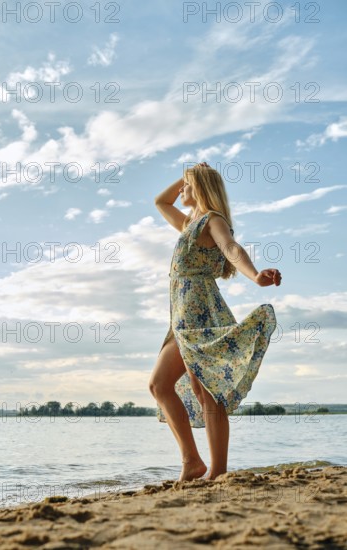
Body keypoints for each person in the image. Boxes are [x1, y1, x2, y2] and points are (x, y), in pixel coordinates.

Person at [149, 162, 281, 483]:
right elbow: (159, 202)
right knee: (162, 386)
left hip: (200, 314)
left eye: (187, 185)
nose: (181, 190)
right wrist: (187, 176)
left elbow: (230, 248)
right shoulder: (188, 224)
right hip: (179, 317)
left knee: (203, 389)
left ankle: (216, 470)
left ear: (202, 189)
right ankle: (193, 462)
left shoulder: (212, 220)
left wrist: (254, 275)